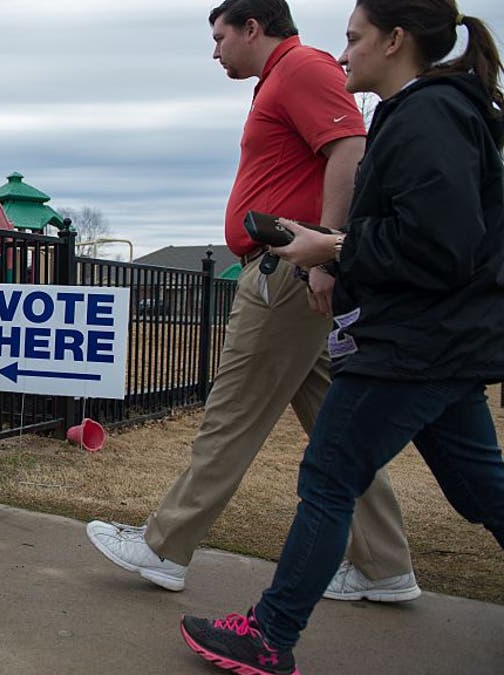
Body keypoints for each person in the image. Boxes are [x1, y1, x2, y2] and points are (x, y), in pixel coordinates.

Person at [181, 1, 504, 672]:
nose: (344, 51)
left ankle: (269, 634)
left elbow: (442, 244)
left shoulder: (428, 115)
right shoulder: (425, 112)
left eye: (354, 38)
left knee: (328, 477)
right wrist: (337, 246)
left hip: (414, 345)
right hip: (443, 344)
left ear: (394, 40)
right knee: (481, 488)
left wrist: (333, 246)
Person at [86, 0, 418, 600]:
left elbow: (349, 149)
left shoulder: (301, 69)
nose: (215, 51)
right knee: (340, 433)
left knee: (230, 417)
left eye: (219, 37)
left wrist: (329, 251)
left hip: (287, 269)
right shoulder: (284, 77)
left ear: (252, 28)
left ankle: (165, 547)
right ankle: (384, 566)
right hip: (296, 271)